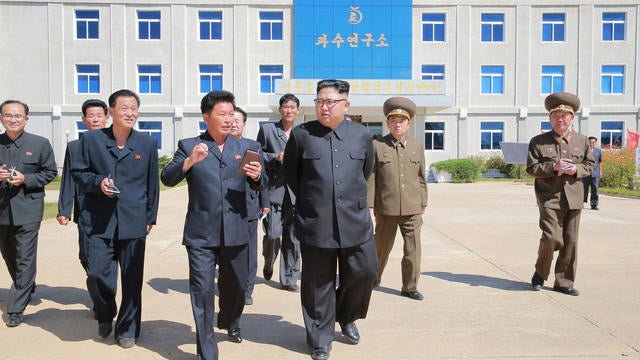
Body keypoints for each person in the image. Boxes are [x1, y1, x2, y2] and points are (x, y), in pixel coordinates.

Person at [161, 90, 264, 360]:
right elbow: (167, 178)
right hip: (200, 234)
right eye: (223, 114)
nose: (229, 119)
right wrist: (190, 161)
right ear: (206, 117)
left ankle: (229, 319)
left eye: (232, 114)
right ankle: (207, 351)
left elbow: (260, 184)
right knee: (203, 291)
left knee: (237, 287)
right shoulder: (189, 145)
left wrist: (257, 177)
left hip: (237, 231)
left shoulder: (247, 148)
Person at [283, 79, 378, 360]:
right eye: (319, 101)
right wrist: (313, 203)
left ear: (345, 104)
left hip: (355, 219)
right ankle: (319, 338)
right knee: (317, 284)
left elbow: (366, 171)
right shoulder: (302, 135)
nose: (324, 107)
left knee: (366, 271)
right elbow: (292, 175)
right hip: (317, 221)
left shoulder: (362, 135)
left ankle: (346, 314)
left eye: (330, 102)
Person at [71, 89, 159, 348]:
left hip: (134, 219)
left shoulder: (146, 143)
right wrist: (98, 183)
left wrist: (150, 216)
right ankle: (106, 310)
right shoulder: (91, 141)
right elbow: (79, 174)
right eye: (124, 108)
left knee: (132, 278)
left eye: (134, 108)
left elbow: (152, 184)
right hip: (99, 219)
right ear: (111, 112)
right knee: (97, 273)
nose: (130, 113)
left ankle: (127, 329)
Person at [526, 92, 594, 297]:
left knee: (571, 242)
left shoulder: (582, 141)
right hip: (549, 197)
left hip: (574, 197)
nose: (560, 119)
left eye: (564, 115)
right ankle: (540, 271)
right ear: (550, 119)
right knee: (551, 238)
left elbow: (590, 164)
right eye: (555, 115)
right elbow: (532, 168)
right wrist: (553, 167)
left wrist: (577, 170)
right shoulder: (538, 141)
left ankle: (564, 282)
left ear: (572, 118)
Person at [0, 100, 57, 327]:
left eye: (18, 116)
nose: (13, 119)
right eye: (8, 115)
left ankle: (16, 307)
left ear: (26, 119)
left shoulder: (40, 143)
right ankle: (25, 285)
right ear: (2, 118)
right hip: (2, 210)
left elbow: (50, 171)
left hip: (29, 209)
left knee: (25, 257)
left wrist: (27, 179)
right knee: (9, 255)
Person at [367, 97, 427, 301]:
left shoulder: (417, 145)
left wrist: (423, 201)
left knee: (413, 250)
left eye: (402, 120)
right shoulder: (377, 145)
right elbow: (372, 177)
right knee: (381, 248)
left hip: (412, 208)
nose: (398, 124)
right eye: (394, 120)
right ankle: (374, 277)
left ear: (408, 124)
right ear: (388, 123)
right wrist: (370, 204)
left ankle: (410, 287)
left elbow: (421, 176)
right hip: (386, 208)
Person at [57, 99, 109, 313]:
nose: (95, 119)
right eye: (91, 115)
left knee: (107, 259)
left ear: (107, 117)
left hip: (112, 208)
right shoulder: (74, 147)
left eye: (99, 115)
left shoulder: (115, 143)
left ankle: (103, 302)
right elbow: (68, 178)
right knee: (86, 256)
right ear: (83, 120)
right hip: (85, 208)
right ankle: (99, 297)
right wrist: (63, 209)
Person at [256, 93, 301, 291]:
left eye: (292, 107)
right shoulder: (267, 130)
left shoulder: (302, 133)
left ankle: (289, 279)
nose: (289, 110)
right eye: (285, 106)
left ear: (298, 111)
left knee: (293, 238)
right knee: (273, 234)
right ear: (280, 109)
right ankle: (268, 260)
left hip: (295, 193)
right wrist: (275, 157)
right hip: (274, 189)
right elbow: (258, 155)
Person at [231, 107, 270, 305]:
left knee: (249, 252)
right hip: (225, 207)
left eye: (238, 120)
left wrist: (265, 202)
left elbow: (261, 176)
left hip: (248, 206)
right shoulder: (217, 146)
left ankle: (247, 289)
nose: (234, 123)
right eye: (231, 118)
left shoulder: (253, 146)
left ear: (244, 124)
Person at [583, 136, 602, 210]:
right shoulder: (584, 150)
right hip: (586, 172)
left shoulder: (598, 151)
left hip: (595, 173)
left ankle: (594, 205)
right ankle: (582, 202)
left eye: (593, 142)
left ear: (595, 143)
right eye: (590, 142)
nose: (592, 144)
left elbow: (600, 162)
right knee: (584, 189)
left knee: (595, 189)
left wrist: (600, 171)